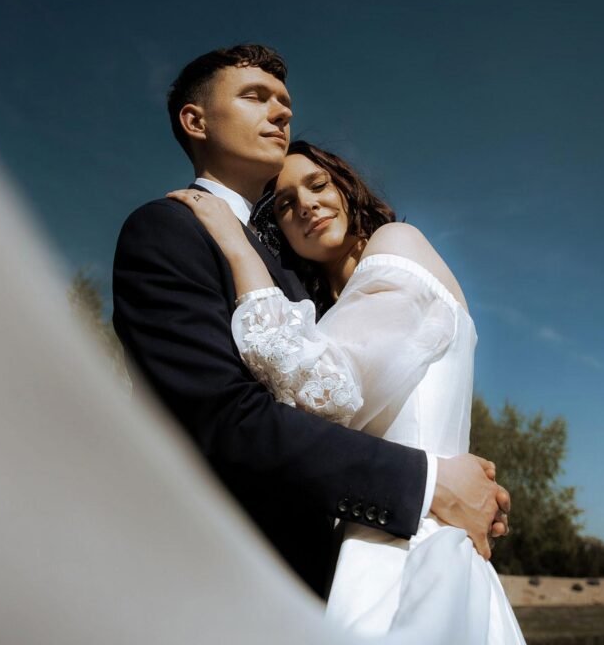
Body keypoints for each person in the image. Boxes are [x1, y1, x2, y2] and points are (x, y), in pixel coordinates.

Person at [168, 139, 577, 645]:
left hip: (403, 563)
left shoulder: (397, 246)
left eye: (318, 183)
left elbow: (321, 388)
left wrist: (238, 249)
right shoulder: (344, 302)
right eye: (285, 203)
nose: (307, 204)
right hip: (394, 541)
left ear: (347, 185)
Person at [113, 45, 508, 598]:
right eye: (255, 97)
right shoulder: (168, 229)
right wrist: (429, 483)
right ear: (195, 120)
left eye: (285, 103)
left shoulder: (298, 283)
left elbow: (330, 403)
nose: (280, 113)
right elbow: (221, 420)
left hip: (335, 580)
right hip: (228, 580)